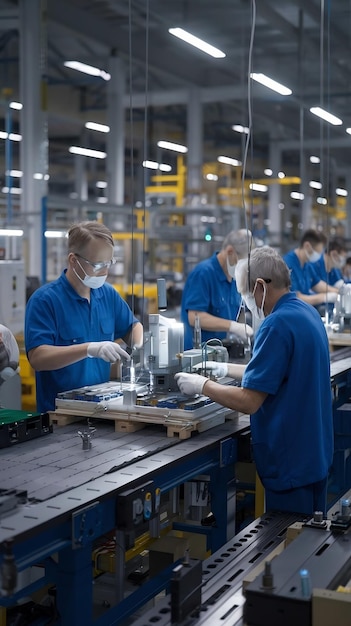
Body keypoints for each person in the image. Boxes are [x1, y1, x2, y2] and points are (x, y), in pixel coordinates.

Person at [175, 247, 333, 516]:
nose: (246, 302)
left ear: (260, 286)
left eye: (244, 294)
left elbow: (249, 402)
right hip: (314, 456)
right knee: (309, 537)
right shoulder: (307, 314)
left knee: (289, 549)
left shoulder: (276, 324)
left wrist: (202, 386)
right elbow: (278, 372)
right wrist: (224, 368)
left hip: (290, 464)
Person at [25, 221, 143, 413]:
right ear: (73, 260)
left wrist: (138, 348)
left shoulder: (107, 295)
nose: (105, 271)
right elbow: (38, 358)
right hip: (60, 416)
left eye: (109, 263)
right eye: (97, 265)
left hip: (103, 410)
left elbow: (133, 326)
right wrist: (89, 349)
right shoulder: (45, 300)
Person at [180, 229, 254, 350]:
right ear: (230, 251)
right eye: (241, 262)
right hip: (198, 353)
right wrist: (232, 326)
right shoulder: (203, 273)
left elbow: (238, 311)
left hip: (221, 351)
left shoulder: (233, 279)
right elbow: (194, 317)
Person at [283, 229, 338, 308]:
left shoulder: (307, 264)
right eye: (318, 252)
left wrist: (339, 291)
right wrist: (325, 297)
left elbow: (318, 284)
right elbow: (296, 298)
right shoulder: (287, 264)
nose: (319, 255)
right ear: (307, 246)